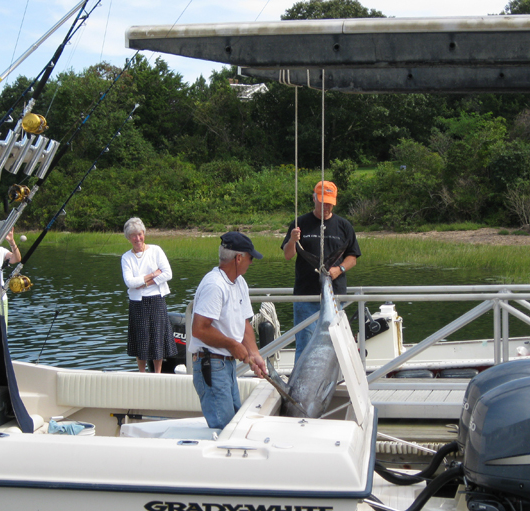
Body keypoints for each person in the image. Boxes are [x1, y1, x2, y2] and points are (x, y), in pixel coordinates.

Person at [188, 232, 267, 430]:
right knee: (224, 430)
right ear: (239, 258)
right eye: (250, 258)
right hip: (211, 365)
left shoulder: (239, 282)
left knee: (233, 426)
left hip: (226, 367)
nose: (251, 262)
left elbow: (244, 323)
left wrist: (254, 354)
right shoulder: (214, 285)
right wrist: (233, 344)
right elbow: (198, 329)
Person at [281, 180, 361, 361]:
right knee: (305, 344)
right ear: (314, 198)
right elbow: (287, 255)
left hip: (335, 297)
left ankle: (331, 383)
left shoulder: (344, 226)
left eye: (330, 203)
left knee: (335, 344)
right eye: (322, 201)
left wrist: (338, 270)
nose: (326, 206)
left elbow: (352, 258)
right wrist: (293, 240)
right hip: (305, 297)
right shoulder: (299, 223)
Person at [121, 217, 177, 373]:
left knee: (157, 338)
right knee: (141, 339)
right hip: (137, 303)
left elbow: (168, 274)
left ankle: (157, 373)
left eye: (140, 234)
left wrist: (144, 283)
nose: (138, 238)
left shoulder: (156, 250)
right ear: (128, 238)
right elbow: (130, 282)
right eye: (134, 235)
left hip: (157, 300)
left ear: (143, 233)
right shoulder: (126, 257)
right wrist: (152, 275)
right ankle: (142, 373)